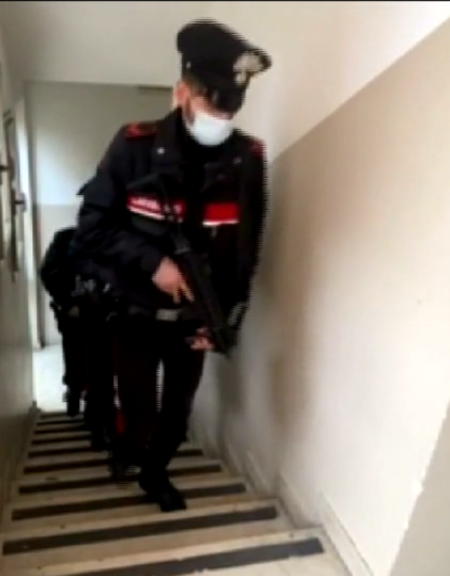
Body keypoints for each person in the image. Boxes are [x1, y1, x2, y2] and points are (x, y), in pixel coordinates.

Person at [72, 19, 271, 512]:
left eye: (230, 109)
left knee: (177, 415)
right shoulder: (134, 147)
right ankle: (128, 448)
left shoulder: (246, 159)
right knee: (139, 410)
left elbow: (245, 252)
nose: (220, 118)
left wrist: (226, 320)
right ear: (182, 92)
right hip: (135, 315)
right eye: (211, 104)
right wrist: (153, 263)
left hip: (193, 319)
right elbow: (92, 228)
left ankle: (154, 474)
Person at [39, 223, 119, 451]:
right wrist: (68, 302)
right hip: (75, 315)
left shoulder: (116, 241)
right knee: (75, 357)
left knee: (102, 368)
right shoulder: (65, 238)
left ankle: (99, 422)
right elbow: (49, 272)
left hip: (106, 317)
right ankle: (74, 390)